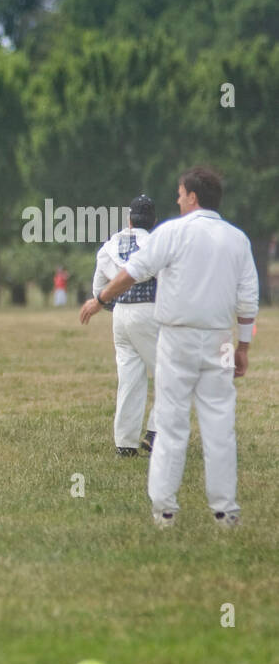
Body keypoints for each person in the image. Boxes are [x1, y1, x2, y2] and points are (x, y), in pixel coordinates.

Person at [80, 166, 259, 530]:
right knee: (220, 423)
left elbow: (135, 271)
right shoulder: (238, 239)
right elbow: (248, 300)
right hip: (221, 338)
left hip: (177, 336)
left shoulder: (171, 233)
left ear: (192, 197)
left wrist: (101, 298)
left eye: (180, 193)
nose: (177, 199)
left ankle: (164, 510)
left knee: (172, 424)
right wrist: (243, 346)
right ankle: (225, 510)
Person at [91, 195, 160, 457]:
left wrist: (113, 304)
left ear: (129, 220)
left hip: (120, 315)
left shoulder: (109, 246)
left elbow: (99, 289)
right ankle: (156, 433)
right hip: (150, 311)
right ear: (153, 221)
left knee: (130, 378)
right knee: (171, 375)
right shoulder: (156, 243)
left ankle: (125, 443)